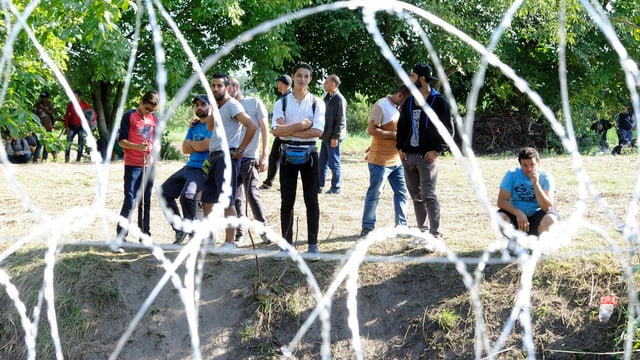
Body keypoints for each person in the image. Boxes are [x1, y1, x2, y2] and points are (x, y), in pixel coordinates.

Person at [271, 61, 325, 258]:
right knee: (287, 201)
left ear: (310, 79)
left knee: (312, 200)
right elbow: (276, 132)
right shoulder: (281, 103)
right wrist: (302, 125)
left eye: (306, 76)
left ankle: (313, 245)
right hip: (286, 156)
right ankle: (286, 245)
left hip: (310, 155)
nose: (302, 79)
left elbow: (318, 132)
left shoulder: (317, 103)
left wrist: (289, 129)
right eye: (299, 75)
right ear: (292, 76)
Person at [396, 62, 453, 250]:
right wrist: (400, 148)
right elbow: (402, 126)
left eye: (412, 76)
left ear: (421, 78)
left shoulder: (439, 101)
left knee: (429, 195)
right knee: (416, 196)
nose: (409, 80)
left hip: (427, 157)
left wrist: (438, 150)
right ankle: (422, 233)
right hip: (408, 157)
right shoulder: (409, 101)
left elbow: (447, 129)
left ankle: (435, 235)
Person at [201, 73, 257, 250]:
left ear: (227, 88)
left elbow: (252, 126)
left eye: (219, 86)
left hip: (227, 157)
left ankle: (229, 242)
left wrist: (241, 150)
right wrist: (211, 108)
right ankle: (211, 239)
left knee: (228, 201)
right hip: (213, 156)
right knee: (207, 200)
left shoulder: (233, 105)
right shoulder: (217, 106)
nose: (216, 89)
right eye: (213, 86)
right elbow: (209, 127)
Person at [359, 85, 411, 237]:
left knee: (402, 192)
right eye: (407, 100)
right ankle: (367, 227)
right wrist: (396, 135)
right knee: (375, 193)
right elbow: (372, 130)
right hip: (379, 160)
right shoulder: (381, 105)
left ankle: (401, 225)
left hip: (397, 160)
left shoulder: (398, 108)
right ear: (400, 95)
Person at [160, 94, 212, 245]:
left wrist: (194, 144)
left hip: (203, 169)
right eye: (196, 105)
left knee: (187, 196)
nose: (199, 108)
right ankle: (180, 229)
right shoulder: (194, 125)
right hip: (188, 167)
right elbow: (184, 149)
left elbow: (204, 146)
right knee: (163, 193)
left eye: (203, 104)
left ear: (210, 107)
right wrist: (198, 144)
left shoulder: (213, 125)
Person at [227, 76, 271, 245]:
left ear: (236, 86)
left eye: (227, 86)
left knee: (252, 194)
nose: (224, 90)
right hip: (231, 158)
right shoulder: (225, 106)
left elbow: (265, 128)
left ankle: (264, 231)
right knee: (236, 198)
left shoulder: (254, 103)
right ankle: (240, 234)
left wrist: (264, 154)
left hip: (249, 158)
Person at [115, 90, 159, 245]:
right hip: (133, 164)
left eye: (151, 110)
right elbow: (121, 141)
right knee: (130, 200)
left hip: (149, 165)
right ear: (141, 102)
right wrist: (138, 147)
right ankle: (121, 236)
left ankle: (145, 235)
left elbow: (156, 140)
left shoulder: (154, 119)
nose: (148, 112)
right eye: (146, 108)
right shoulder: (129, 116)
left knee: (146, 200)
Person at [497, 147, 558, 238]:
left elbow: (547, 206)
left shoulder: (546, 177)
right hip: (516, 216)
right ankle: (514, 243)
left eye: (532, 164)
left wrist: (536, 184)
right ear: (520, 165)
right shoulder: (512, 174)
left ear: (538, 163)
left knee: (551, 221)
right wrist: (518, 213)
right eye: (525, 165)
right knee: (499, 218)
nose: (529, 169)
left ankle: (539, 244)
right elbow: (501, 201)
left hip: (538, 215)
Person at [259, 74, 292, 191]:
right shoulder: (284, 98)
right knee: (275, 158)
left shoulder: (288, 99)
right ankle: (270, 182)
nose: (277, 85)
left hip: (286, 134)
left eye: (279, 83)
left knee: (282, 160)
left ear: (283, 84)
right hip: (281, 133)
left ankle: (271, 183)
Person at [318, 74, 347, 194]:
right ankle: (319, 186)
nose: (324, 84)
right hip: (326, 136)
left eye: (326, 82)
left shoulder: (339, 99)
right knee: (321, 163)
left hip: (333, 137)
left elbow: (341, 120)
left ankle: (336, 187)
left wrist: (335, 137)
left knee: (334, 163)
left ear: (333, 84)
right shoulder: (327, 98)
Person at [63, 90, 96, 162]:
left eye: (75, 96)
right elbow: (66, 116)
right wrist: (67, 127)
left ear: (79, 97)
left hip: (82, 126)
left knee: (81, 142)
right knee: (69, 141)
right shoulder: (70, 104)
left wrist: (92, 121)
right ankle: (67, 158)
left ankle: (78, 159)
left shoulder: (84, 104)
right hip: (72, 126)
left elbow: (93, 113)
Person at [31, 92, 55, 162]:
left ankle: (44, 159)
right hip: (40, 127)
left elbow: (51, 113)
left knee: (47, 144)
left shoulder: (50, 104)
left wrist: (43, 108)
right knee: (40, 144)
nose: (44, 99)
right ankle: (35, 159)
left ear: (48, 98)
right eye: (42, 98)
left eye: (45, 98)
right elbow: (33, 115)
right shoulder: (37, 105)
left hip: (48, 126)